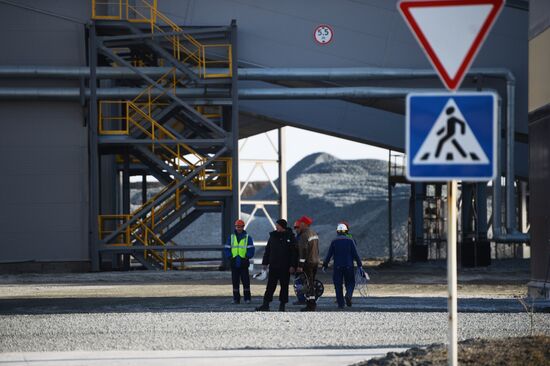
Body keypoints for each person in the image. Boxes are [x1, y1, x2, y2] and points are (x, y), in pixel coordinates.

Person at [255, 219, 297, 312]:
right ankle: (265, 305)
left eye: (277, 225)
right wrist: (265, 263)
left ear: (282, 226)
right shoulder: (273, 236)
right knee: (270, 286)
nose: (276, 227)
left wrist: (293, 266)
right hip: (274, 266)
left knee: (284, 286)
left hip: (285, 267)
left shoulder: (290, 237)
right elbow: (268, 250)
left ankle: (282, 306)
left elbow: (294, 253)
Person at [322, 223, 363, 309]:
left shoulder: (334, 241)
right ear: (346, 231)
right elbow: (355, 254)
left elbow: (329, 254)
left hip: (337, 266)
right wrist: (360, 265)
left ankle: (341, 304)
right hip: (349, 265)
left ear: (337, 231)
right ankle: (348, 295)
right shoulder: (350, 240)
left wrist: (325, 265)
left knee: (338, 284)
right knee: (350, 283)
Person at [224, 219, 255, 304]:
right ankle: (236, 299)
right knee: (235, 282)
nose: (239, 228)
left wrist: (246, 257)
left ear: (243, 227)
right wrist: (230, 257)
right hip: (234, 262)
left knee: (245, 281)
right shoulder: (231, 237)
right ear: (235, 227)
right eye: (237, 226)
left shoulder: (248, 238)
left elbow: (251, 249)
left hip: (243, 262)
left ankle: (247, 298)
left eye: (240, 227)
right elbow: (227, 248)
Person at [296, 215, 320, 311]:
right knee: (311, 283)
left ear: (303, 224)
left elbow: (303, 251)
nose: (299, 225)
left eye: (300, 223)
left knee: (308, 284)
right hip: (315, 261)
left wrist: (300, 265)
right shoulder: (314, 233)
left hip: (308, 263)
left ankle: (311, 305)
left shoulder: (304, 235)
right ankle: (312, 303)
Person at [292, 220, 307, 305]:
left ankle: (302, 299)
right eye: (295, 228)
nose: (295, 229)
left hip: (302, 264)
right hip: (302, 263)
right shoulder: (299, 237)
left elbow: (301, 253)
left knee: (298, 282)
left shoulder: (301, 238)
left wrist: (300, 265)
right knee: (300, 282)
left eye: (297, 227)